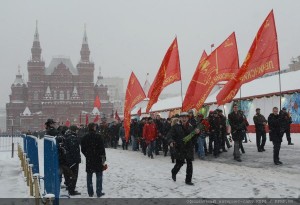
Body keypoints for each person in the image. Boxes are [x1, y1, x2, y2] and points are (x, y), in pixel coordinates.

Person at [167, 112, 200, 185]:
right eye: (182, 117)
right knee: (180, 163)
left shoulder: (191, 127)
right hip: (179, 148)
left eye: (186, 117)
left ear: (188, 118)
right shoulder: (175, 126)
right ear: (180, 118)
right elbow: (169, 136)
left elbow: (193, 139)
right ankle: (174, 172)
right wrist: (171, 141)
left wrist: (197, 134)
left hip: (189, 148)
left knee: (189, 164)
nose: (184, 119)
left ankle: (188, 180)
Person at [81, 123, 106, 197]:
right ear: (93, 127)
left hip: (89, 159)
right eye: (95, 126)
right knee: (99, 176)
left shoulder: (85, 137)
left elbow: (82, 149)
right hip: (98, 159)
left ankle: (90, 192)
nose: (96, 127)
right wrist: (103, 158)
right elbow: (102, 149)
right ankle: (98, 192)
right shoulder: (98, 136)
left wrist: (87, 155)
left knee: (89, 176)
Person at [63, 125, 81, 195]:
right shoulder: (72, 138)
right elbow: (74, 150)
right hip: (73, 161)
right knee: (74, 176)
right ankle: (72, 190)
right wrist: (77, 160)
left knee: (70, 175)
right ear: (74, 130)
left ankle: (70, 188)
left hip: (69, 160)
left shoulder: (68, 136)